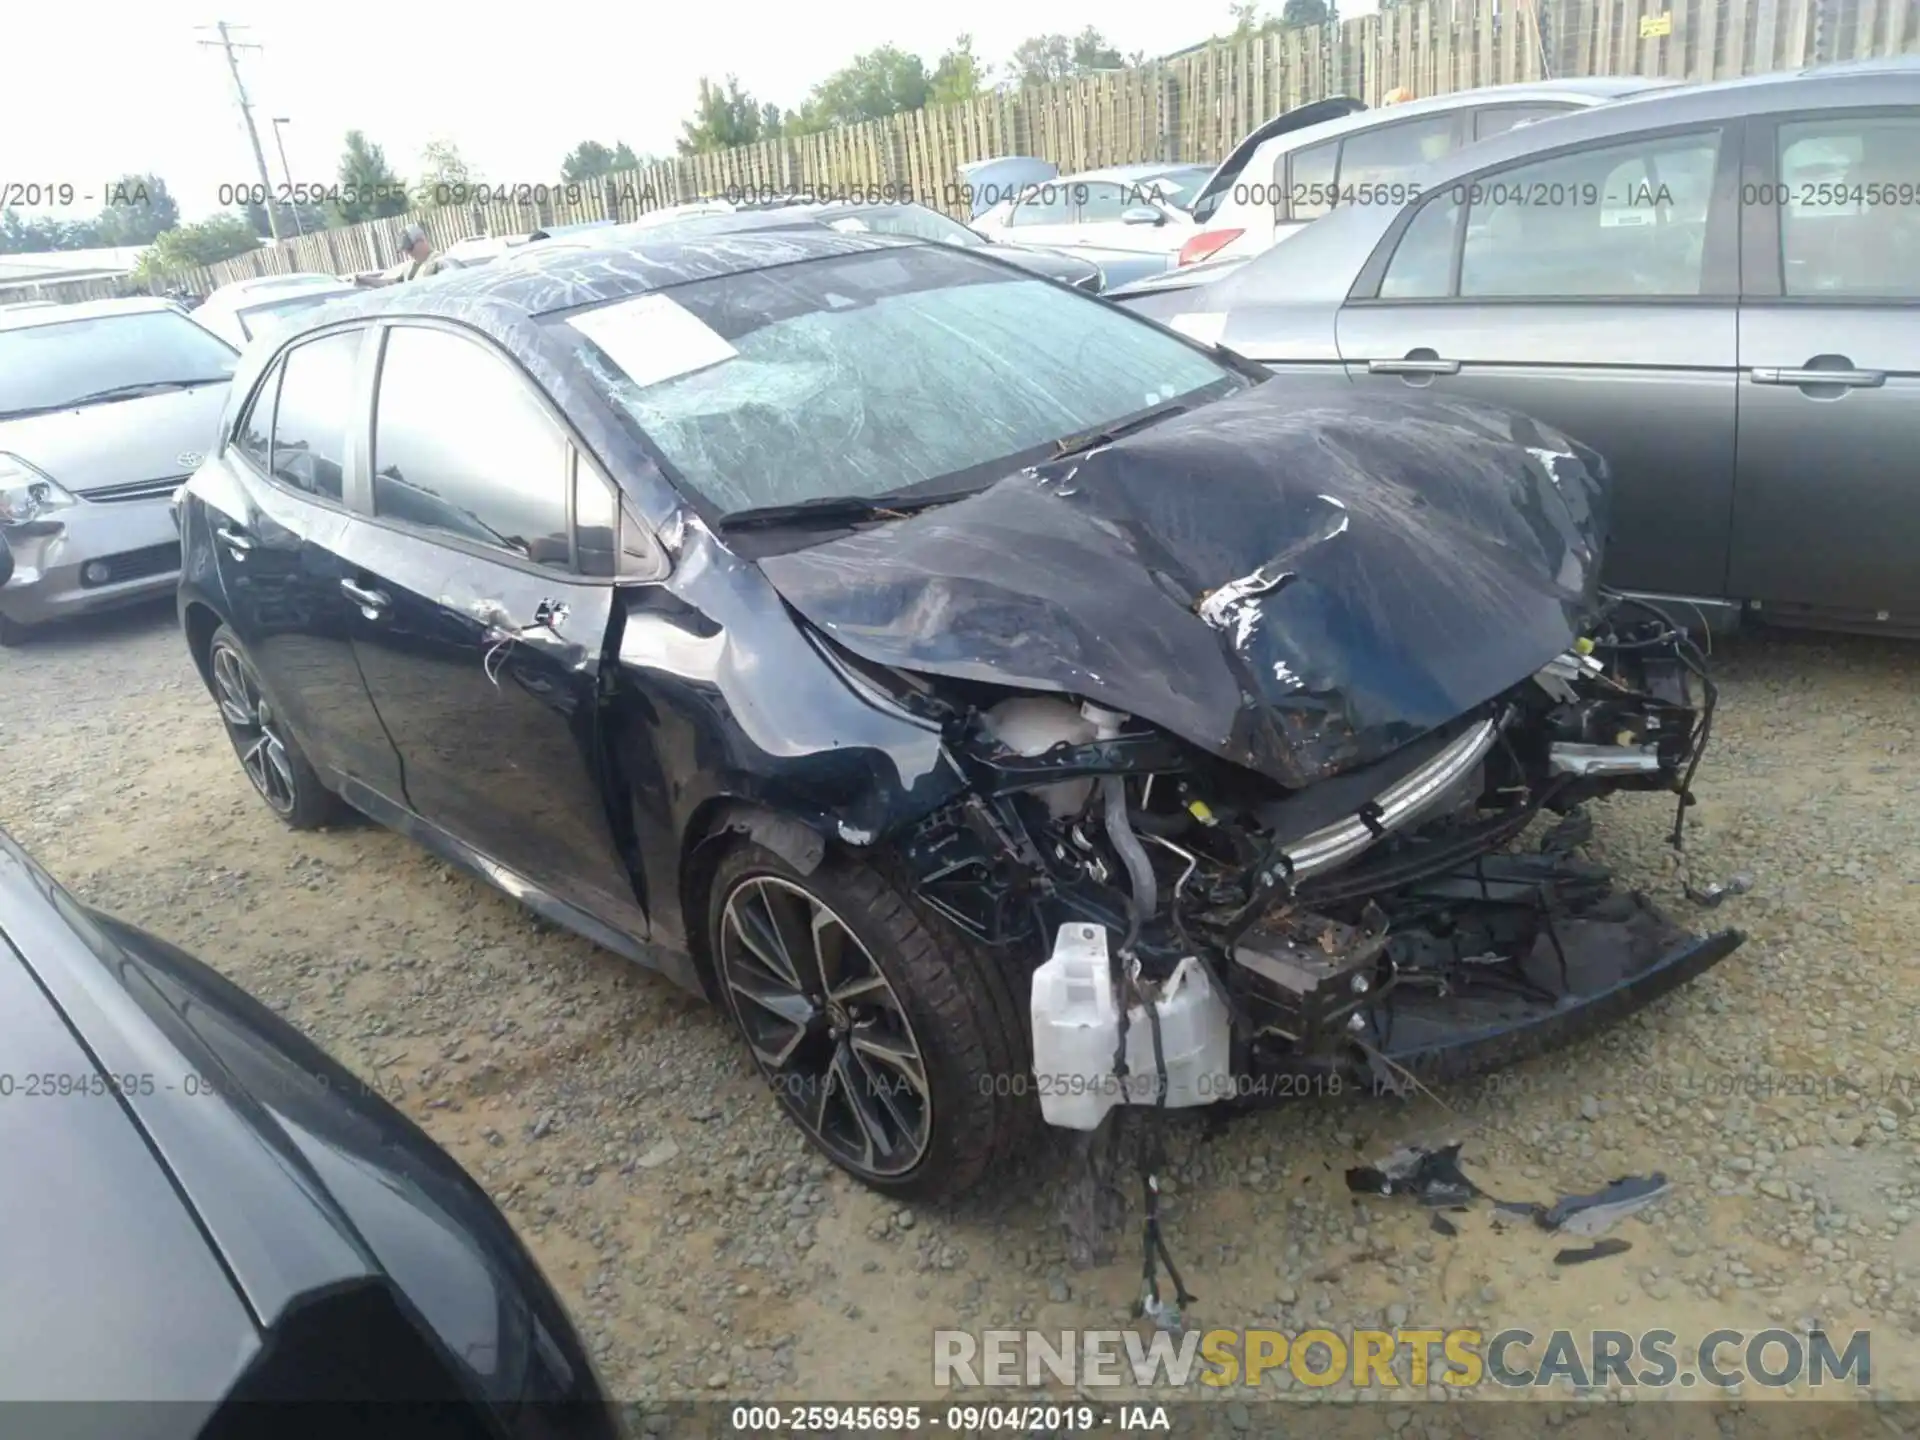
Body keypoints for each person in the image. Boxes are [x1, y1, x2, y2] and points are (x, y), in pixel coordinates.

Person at [355, 224, 450, 287]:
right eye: (405, 249)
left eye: (410, 247)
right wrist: (366, 280)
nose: (408, 253)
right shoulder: (409, 268)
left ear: (422, 240)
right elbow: (393, 285)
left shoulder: (438, 262)